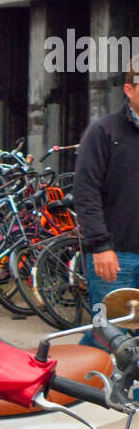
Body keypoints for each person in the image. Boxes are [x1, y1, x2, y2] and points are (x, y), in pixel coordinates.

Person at [73, 56, 139, 343]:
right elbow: (86, 191)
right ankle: (84, 386)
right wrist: (100, 245)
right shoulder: (104, 132)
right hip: (115, 255)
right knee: (109, 335)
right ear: (129, 89)